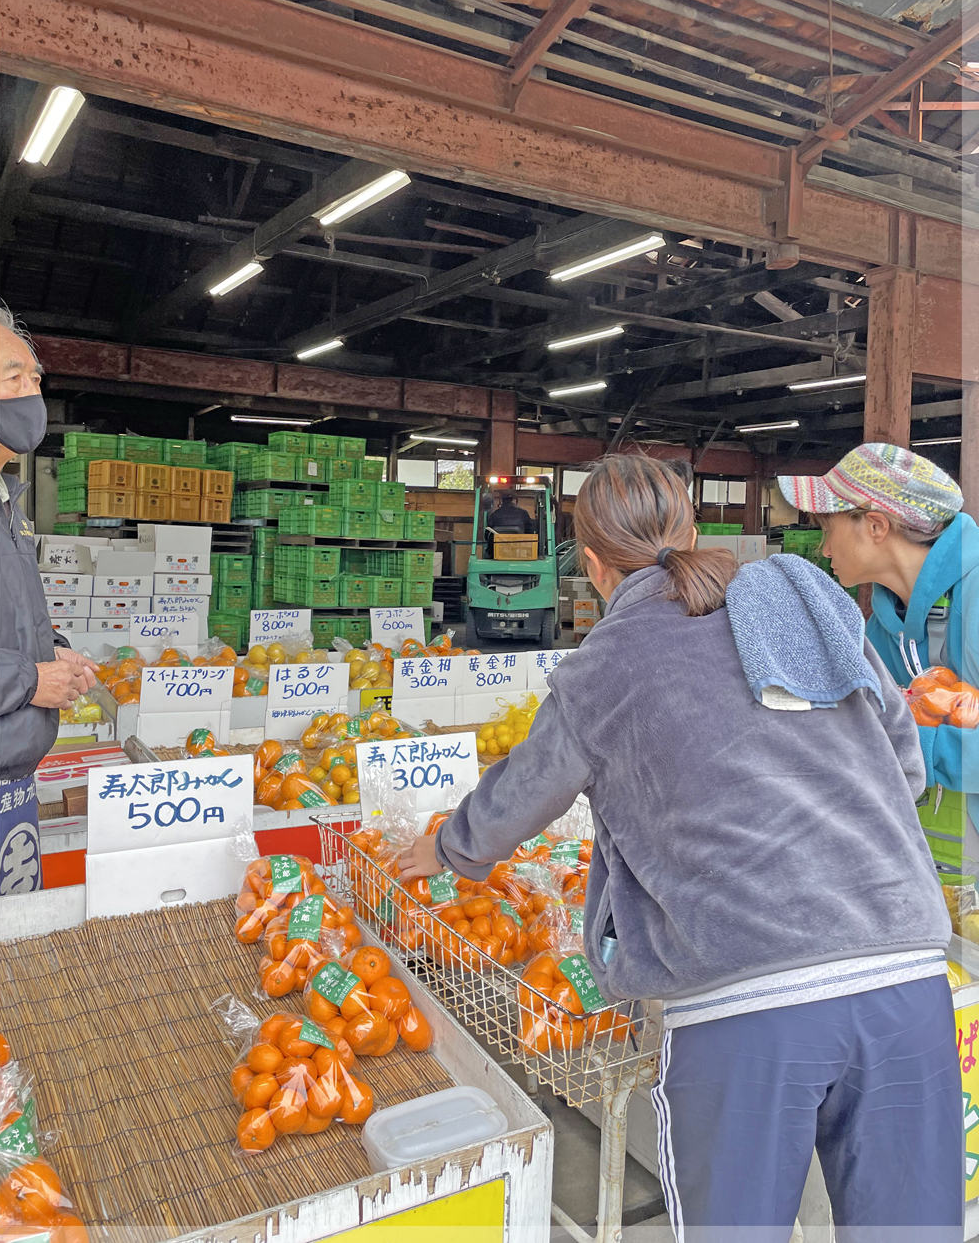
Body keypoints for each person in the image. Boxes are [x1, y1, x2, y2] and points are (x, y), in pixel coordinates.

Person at [400, 453, 960, 1239]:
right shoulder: (810, 606)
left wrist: (448, 848)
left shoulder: (604, 665)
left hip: (750, 1007)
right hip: (904, 976)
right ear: (692, 530)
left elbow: (524, 792)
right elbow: (899, 762)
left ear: (592, 564)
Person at [778, 442, 978, 883]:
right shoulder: (882, 625)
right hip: (930, 871)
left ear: (874, 526)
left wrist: (906, 747)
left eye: (827, 528)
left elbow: (877, 738)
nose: (824, 549)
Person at [0, 305, 97, 894]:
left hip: (8, 784)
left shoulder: (1, 501)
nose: (32, 393)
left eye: (35, 380)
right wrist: (29, 680)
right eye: (12, 378)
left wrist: (56, 653)